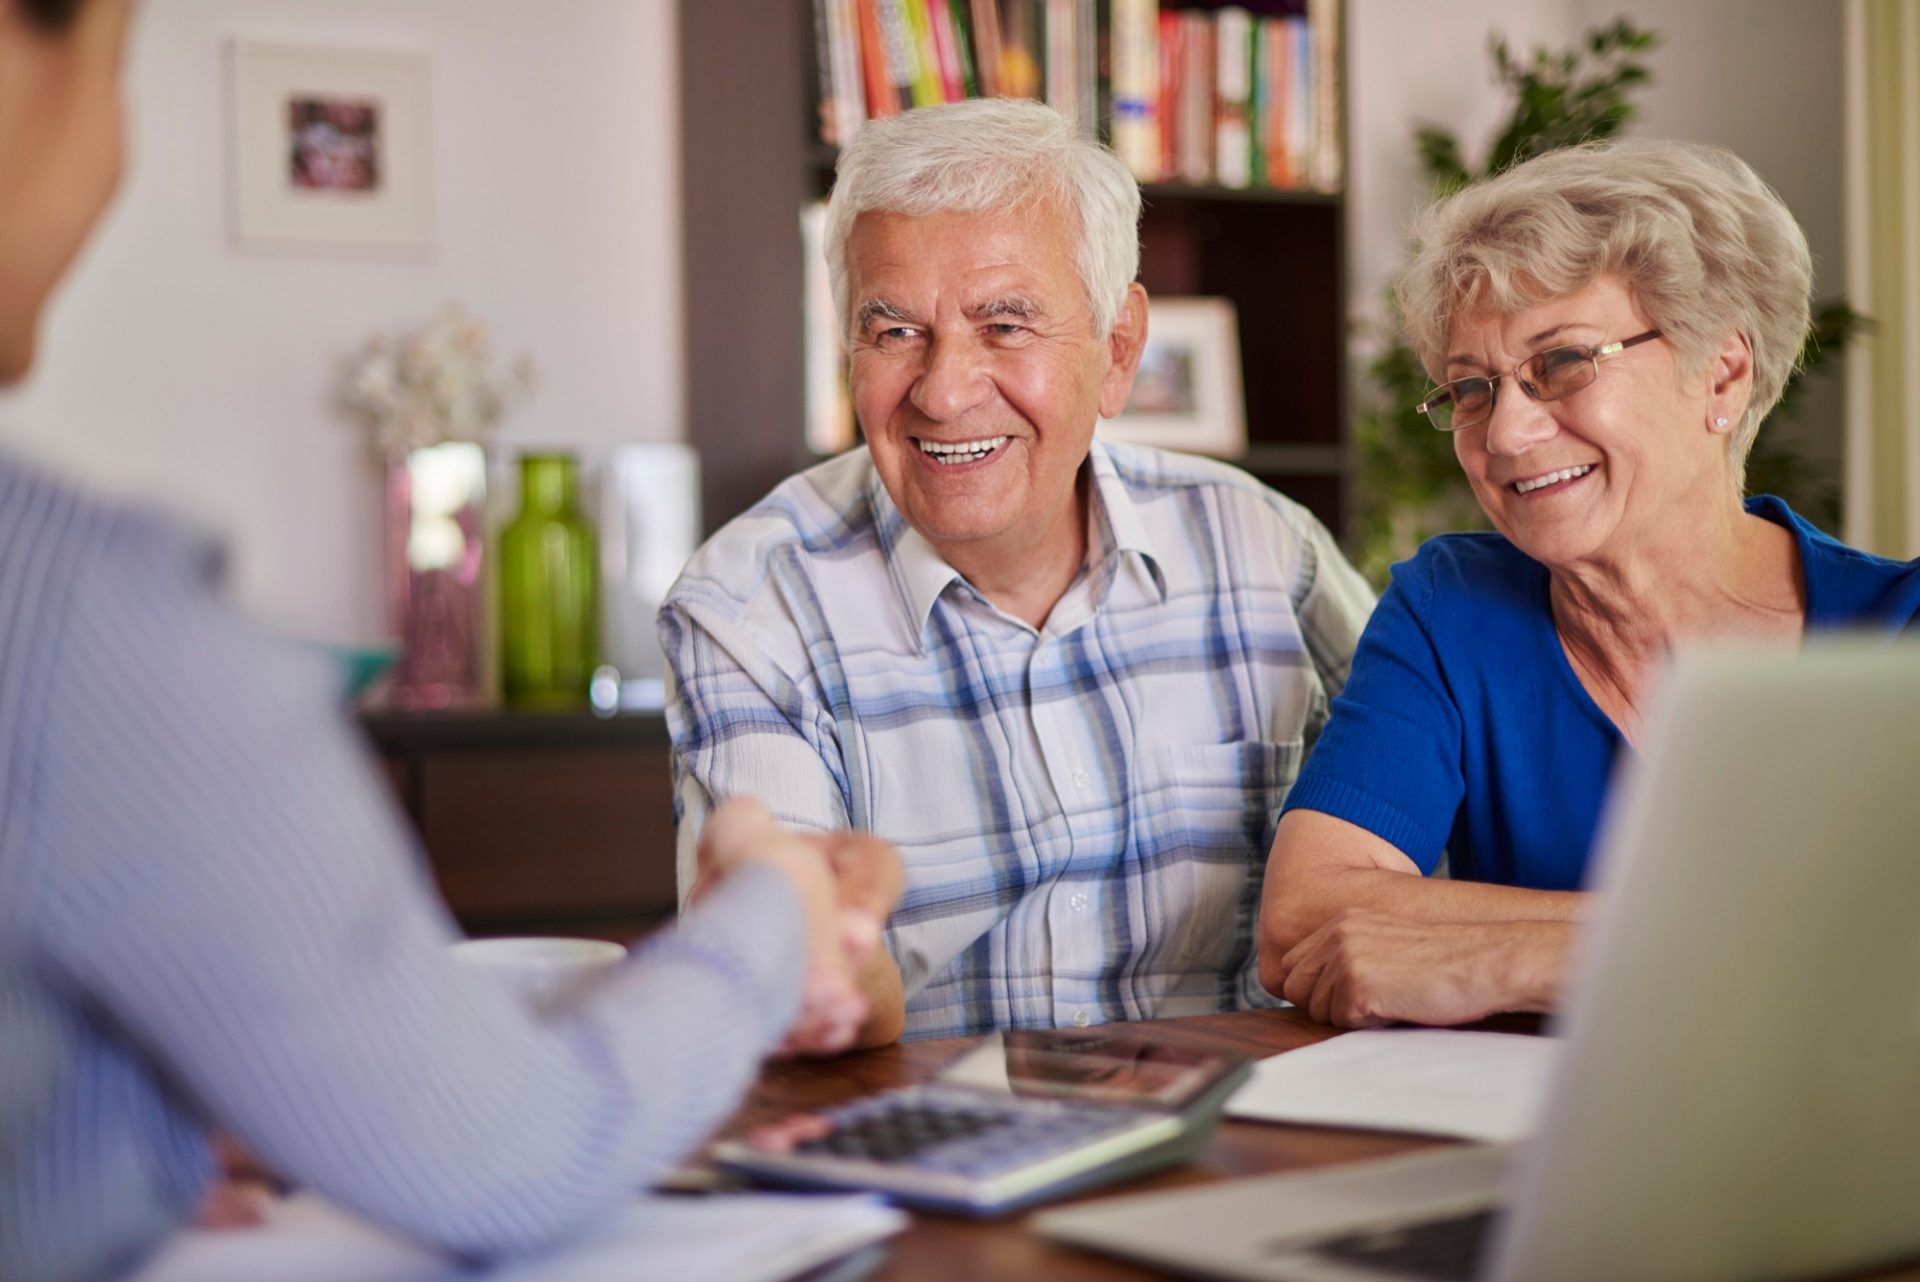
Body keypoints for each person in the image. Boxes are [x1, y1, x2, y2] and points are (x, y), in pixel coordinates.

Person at [0, 3, 901, 1280]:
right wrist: (771, 904)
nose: (113, 143)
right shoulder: (81, 616)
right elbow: (517, 1145)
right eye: (115, 72)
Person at [661, 98, 1374, 1046]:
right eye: (895, 332)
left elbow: (1420, 862)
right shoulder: (745, 609)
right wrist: (815, 956)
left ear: (1117, 352)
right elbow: (811, 972)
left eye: (1004, 325)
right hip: (936, 1163)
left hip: (1245, 1144)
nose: (945, 391)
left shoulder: (1267, 549)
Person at [1257, 138, 1920, 1029]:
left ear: (1721, 371)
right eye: (1471, 388)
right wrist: (1723, 948)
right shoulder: (1453, 611)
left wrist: (1532, 952)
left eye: (1561, 364)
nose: (1506, 435)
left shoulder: (1897, 631)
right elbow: (1303, 922)